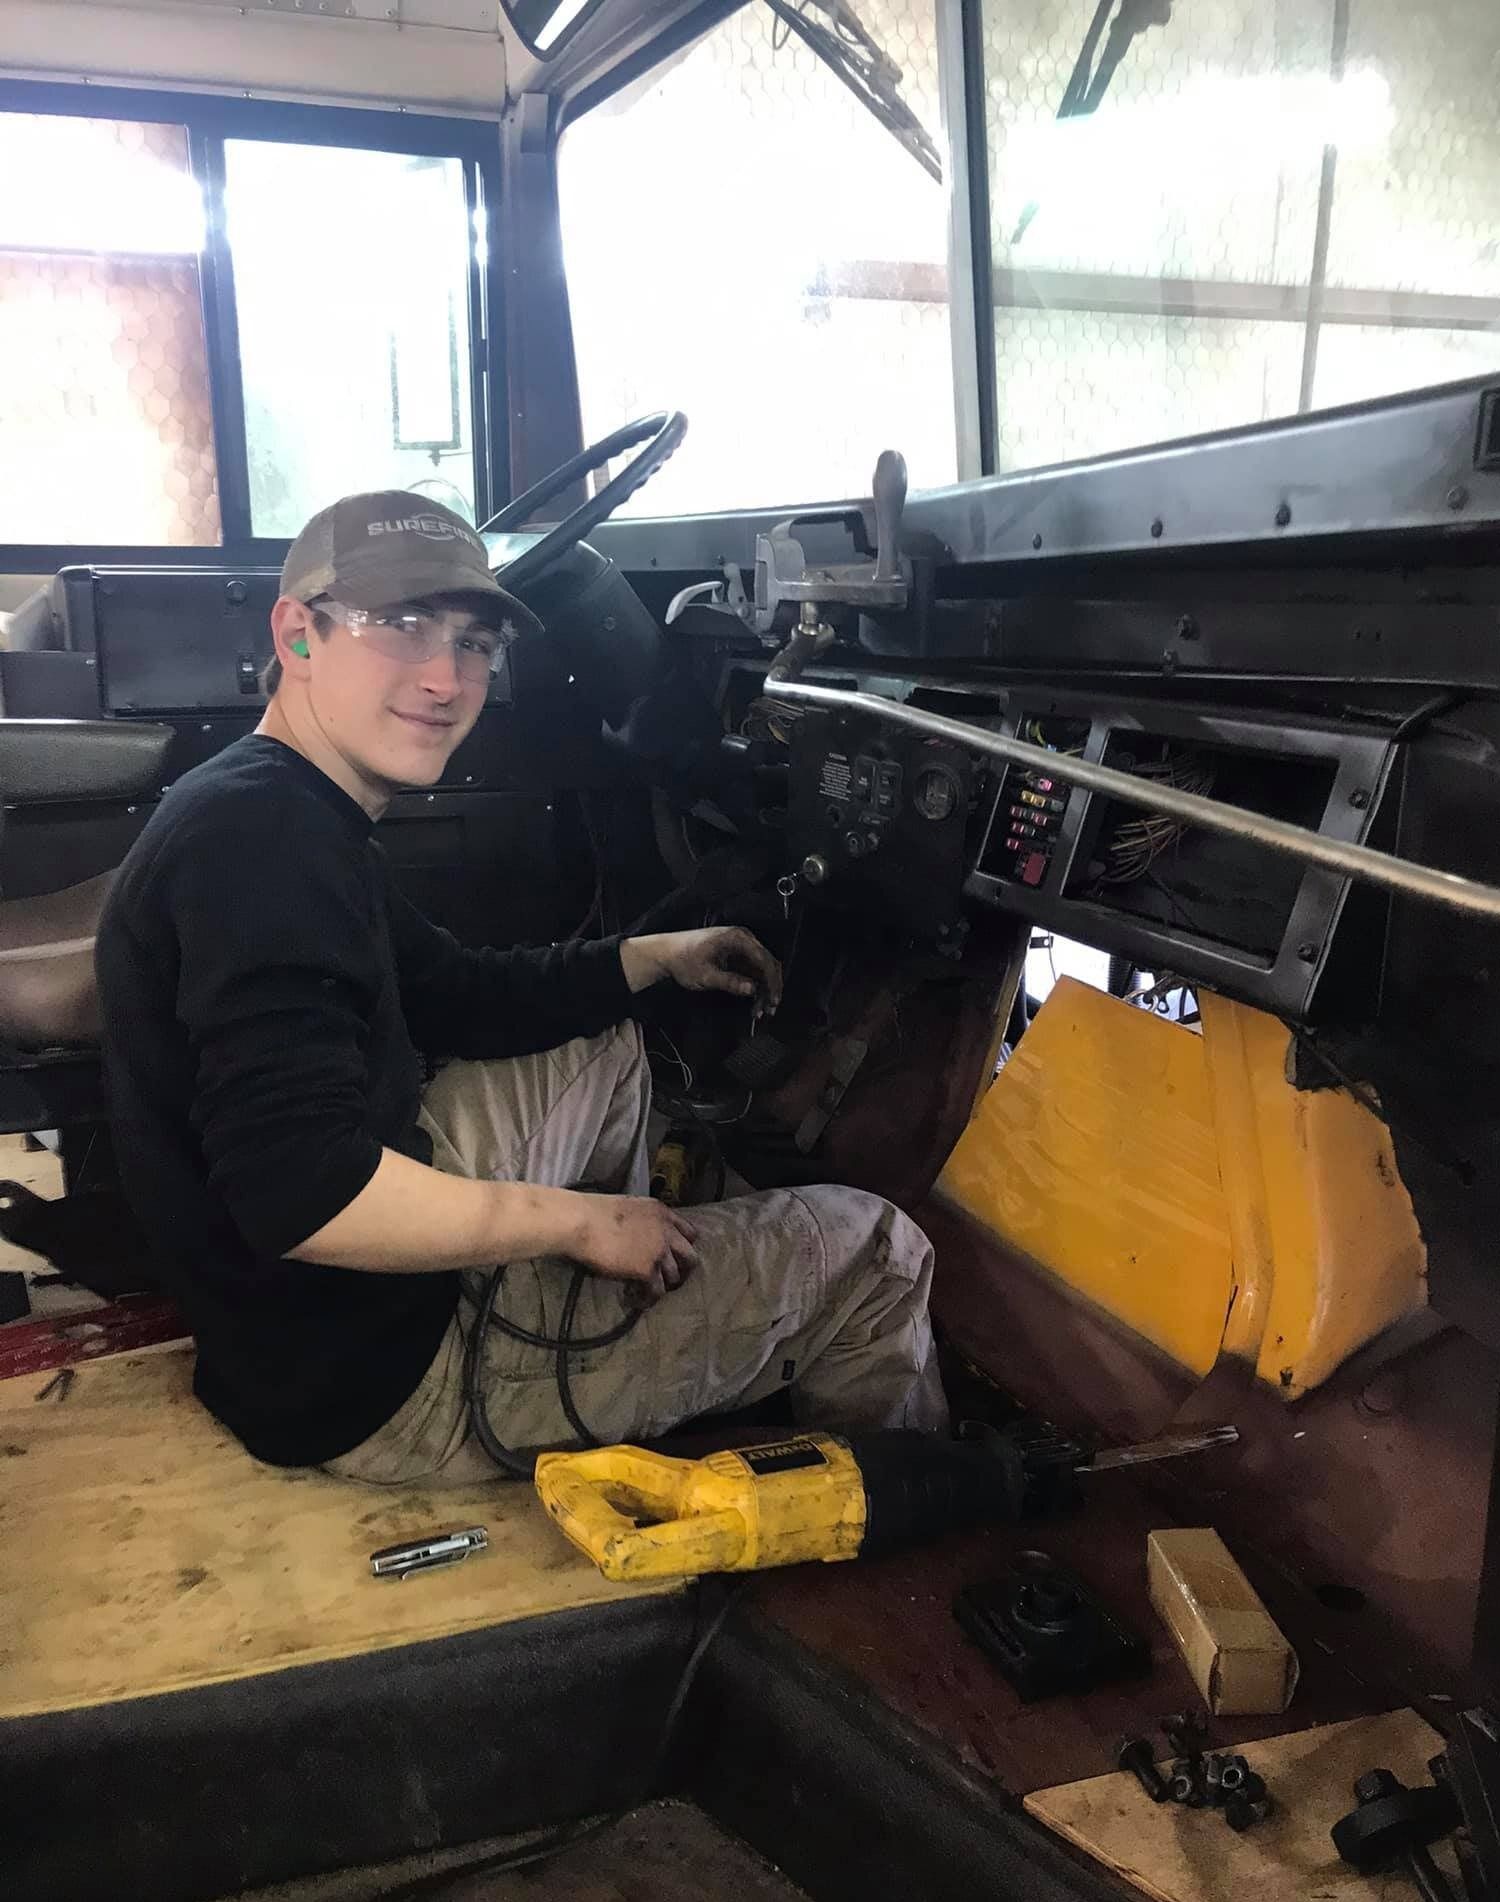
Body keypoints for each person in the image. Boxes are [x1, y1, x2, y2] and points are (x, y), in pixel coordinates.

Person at [96, 490, 947, 1485]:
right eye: (402, 625)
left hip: (287, 1334)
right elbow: (307, 1197)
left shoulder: (271, 797)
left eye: (475, 640)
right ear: (299, 633)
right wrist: (577, 1220)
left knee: (607, 1040)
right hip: (382, 1383)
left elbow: (454, 990)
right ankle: (903, 1549)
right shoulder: (269, 847)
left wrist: (647, 956)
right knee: (878, 1253)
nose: (446, 675)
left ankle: (635, 1328)